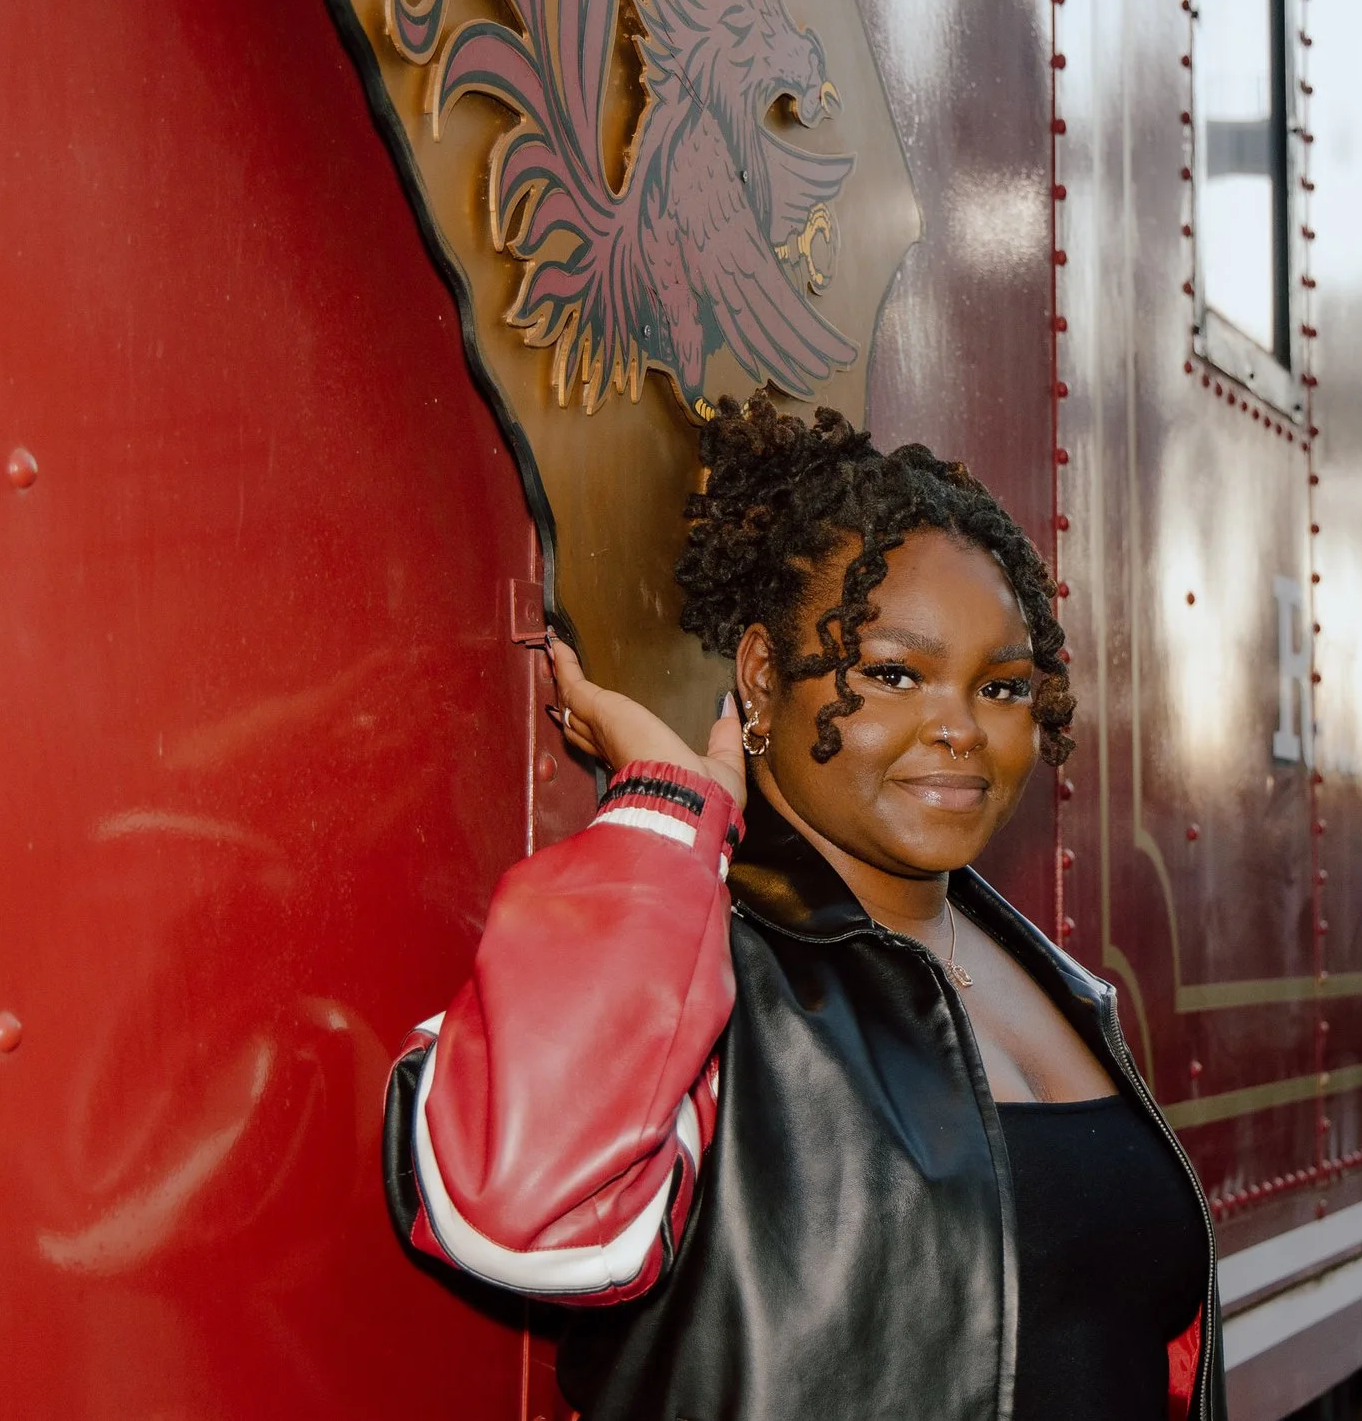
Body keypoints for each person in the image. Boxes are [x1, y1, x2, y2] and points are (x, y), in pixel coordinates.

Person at [383, 396, 1221, 1421]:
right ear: (762, 677)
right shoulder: (706, 961)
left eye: (1001, 687)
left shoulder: (1056, 981)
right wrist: (666, 804)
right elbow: (515, 1200)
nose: (958, 727)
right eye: (892, 673)